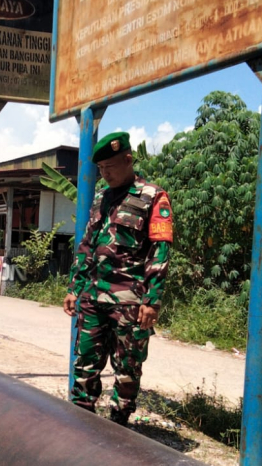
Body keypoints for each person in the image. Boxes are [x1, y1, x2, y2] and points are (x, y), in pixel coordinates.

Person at [63, 131, 173, 426]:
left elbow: (160, 251)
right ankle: (80, 422)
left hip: (130, 300)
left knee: (127, 370)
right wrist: (75, 287)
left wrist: (152, 299)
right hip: (92, 297)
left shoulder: (153, 197)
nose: (105, 174)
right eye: (101, 169)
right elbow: (87, 244)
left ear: (128, 159)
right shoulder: (101, 197)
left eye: (110, 167)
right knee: (84, 365)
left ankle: (119, 427)